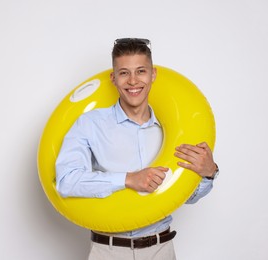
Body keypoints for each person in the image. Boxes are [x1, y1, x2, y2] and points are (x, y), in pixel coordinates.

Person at [55, 38, 219, 260]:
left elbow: (184, 195)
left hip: (160, 249)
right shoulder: (90, 124)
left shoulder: (170, 130)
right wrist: (127, 179)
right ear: (113, 78)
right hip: (109, 250)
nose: (133, 81)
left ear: (153, 75)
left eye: (141, 71)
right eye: (124, 73)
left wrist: (208, 174)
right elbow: (66, 181)